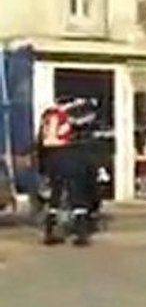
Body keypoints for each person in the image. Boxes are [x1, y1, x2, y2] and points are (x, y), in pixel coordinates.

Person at [36, 97, 98, 246]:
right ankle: (81, 233)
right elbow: (50, 140)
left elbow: (42, 141)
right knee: (76, 193)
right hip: (65, 155)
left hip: (53, 159)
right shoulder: (58, 116)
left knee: (56, 195)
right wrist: (69, 143)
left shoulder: (48, 115)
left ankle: (50, 231)